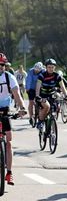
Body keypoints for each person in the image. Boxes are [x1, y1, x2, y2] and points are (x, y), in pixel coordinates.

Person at [0, 53, 27, 185]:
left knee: (9, 141)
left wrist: (22, 107)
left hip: (5, 110)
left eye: (2, 65)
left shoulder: (9, 77)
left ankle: (9, 173)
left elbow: (17, 94)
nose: (0, 67)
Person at [35, 58, 67, 130]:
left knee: (56, 106)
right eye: (49, 67)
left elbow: (62, 86)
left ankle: (52, 120)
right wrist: (37, 96)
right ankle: (40, 122)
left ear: (55, 67)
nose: (51, 69)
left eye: (52, 67)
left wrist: (66, 95)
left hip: (52, 94)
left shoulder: (57, 76)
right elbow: (38, 87)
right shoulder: (42, 75)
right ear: (46, 67)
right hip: (42, 95)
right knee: (47, 106)